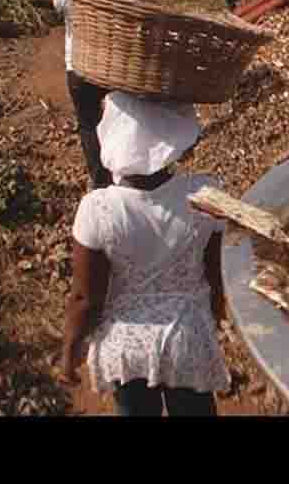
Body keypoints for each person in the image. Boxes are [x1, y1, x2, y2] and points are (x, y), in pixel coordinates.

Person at [57, 92, 231, 416]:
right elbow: (215, 271)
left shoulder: (98, 209)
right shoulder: (206, 194)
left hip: (126, 345)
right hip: (186, 337)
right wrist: (217, 315)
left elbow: (85, 298)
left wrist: (69, 353)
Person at [28, 0, 140, 191]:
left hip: (79, 70)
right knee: (120, 118)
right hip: (112, 70)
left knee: (89, 124)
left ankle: (100, 181)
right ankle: (126, 173)